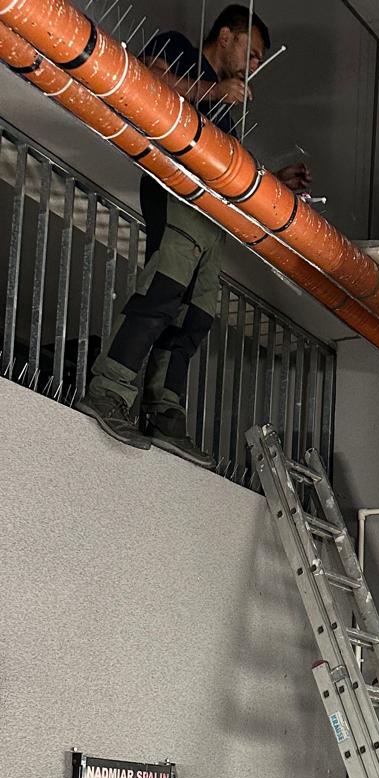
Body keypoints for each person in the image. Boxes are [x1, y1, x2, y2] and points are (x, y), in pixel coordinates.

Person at [76, 6, 311, 466]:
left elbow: (228, 165)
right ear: (225, 36)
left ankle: (165, 414)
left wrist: (275, 181)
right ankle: (108, 391)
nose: (254, 64)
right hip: (175, 188)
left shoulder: (224, 107)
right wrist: (214, 90)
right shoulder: (180, 49)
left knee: (196, 315)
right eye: (252, 52)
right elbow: (146, 79)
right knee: (163, 292)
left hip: (210, 209)